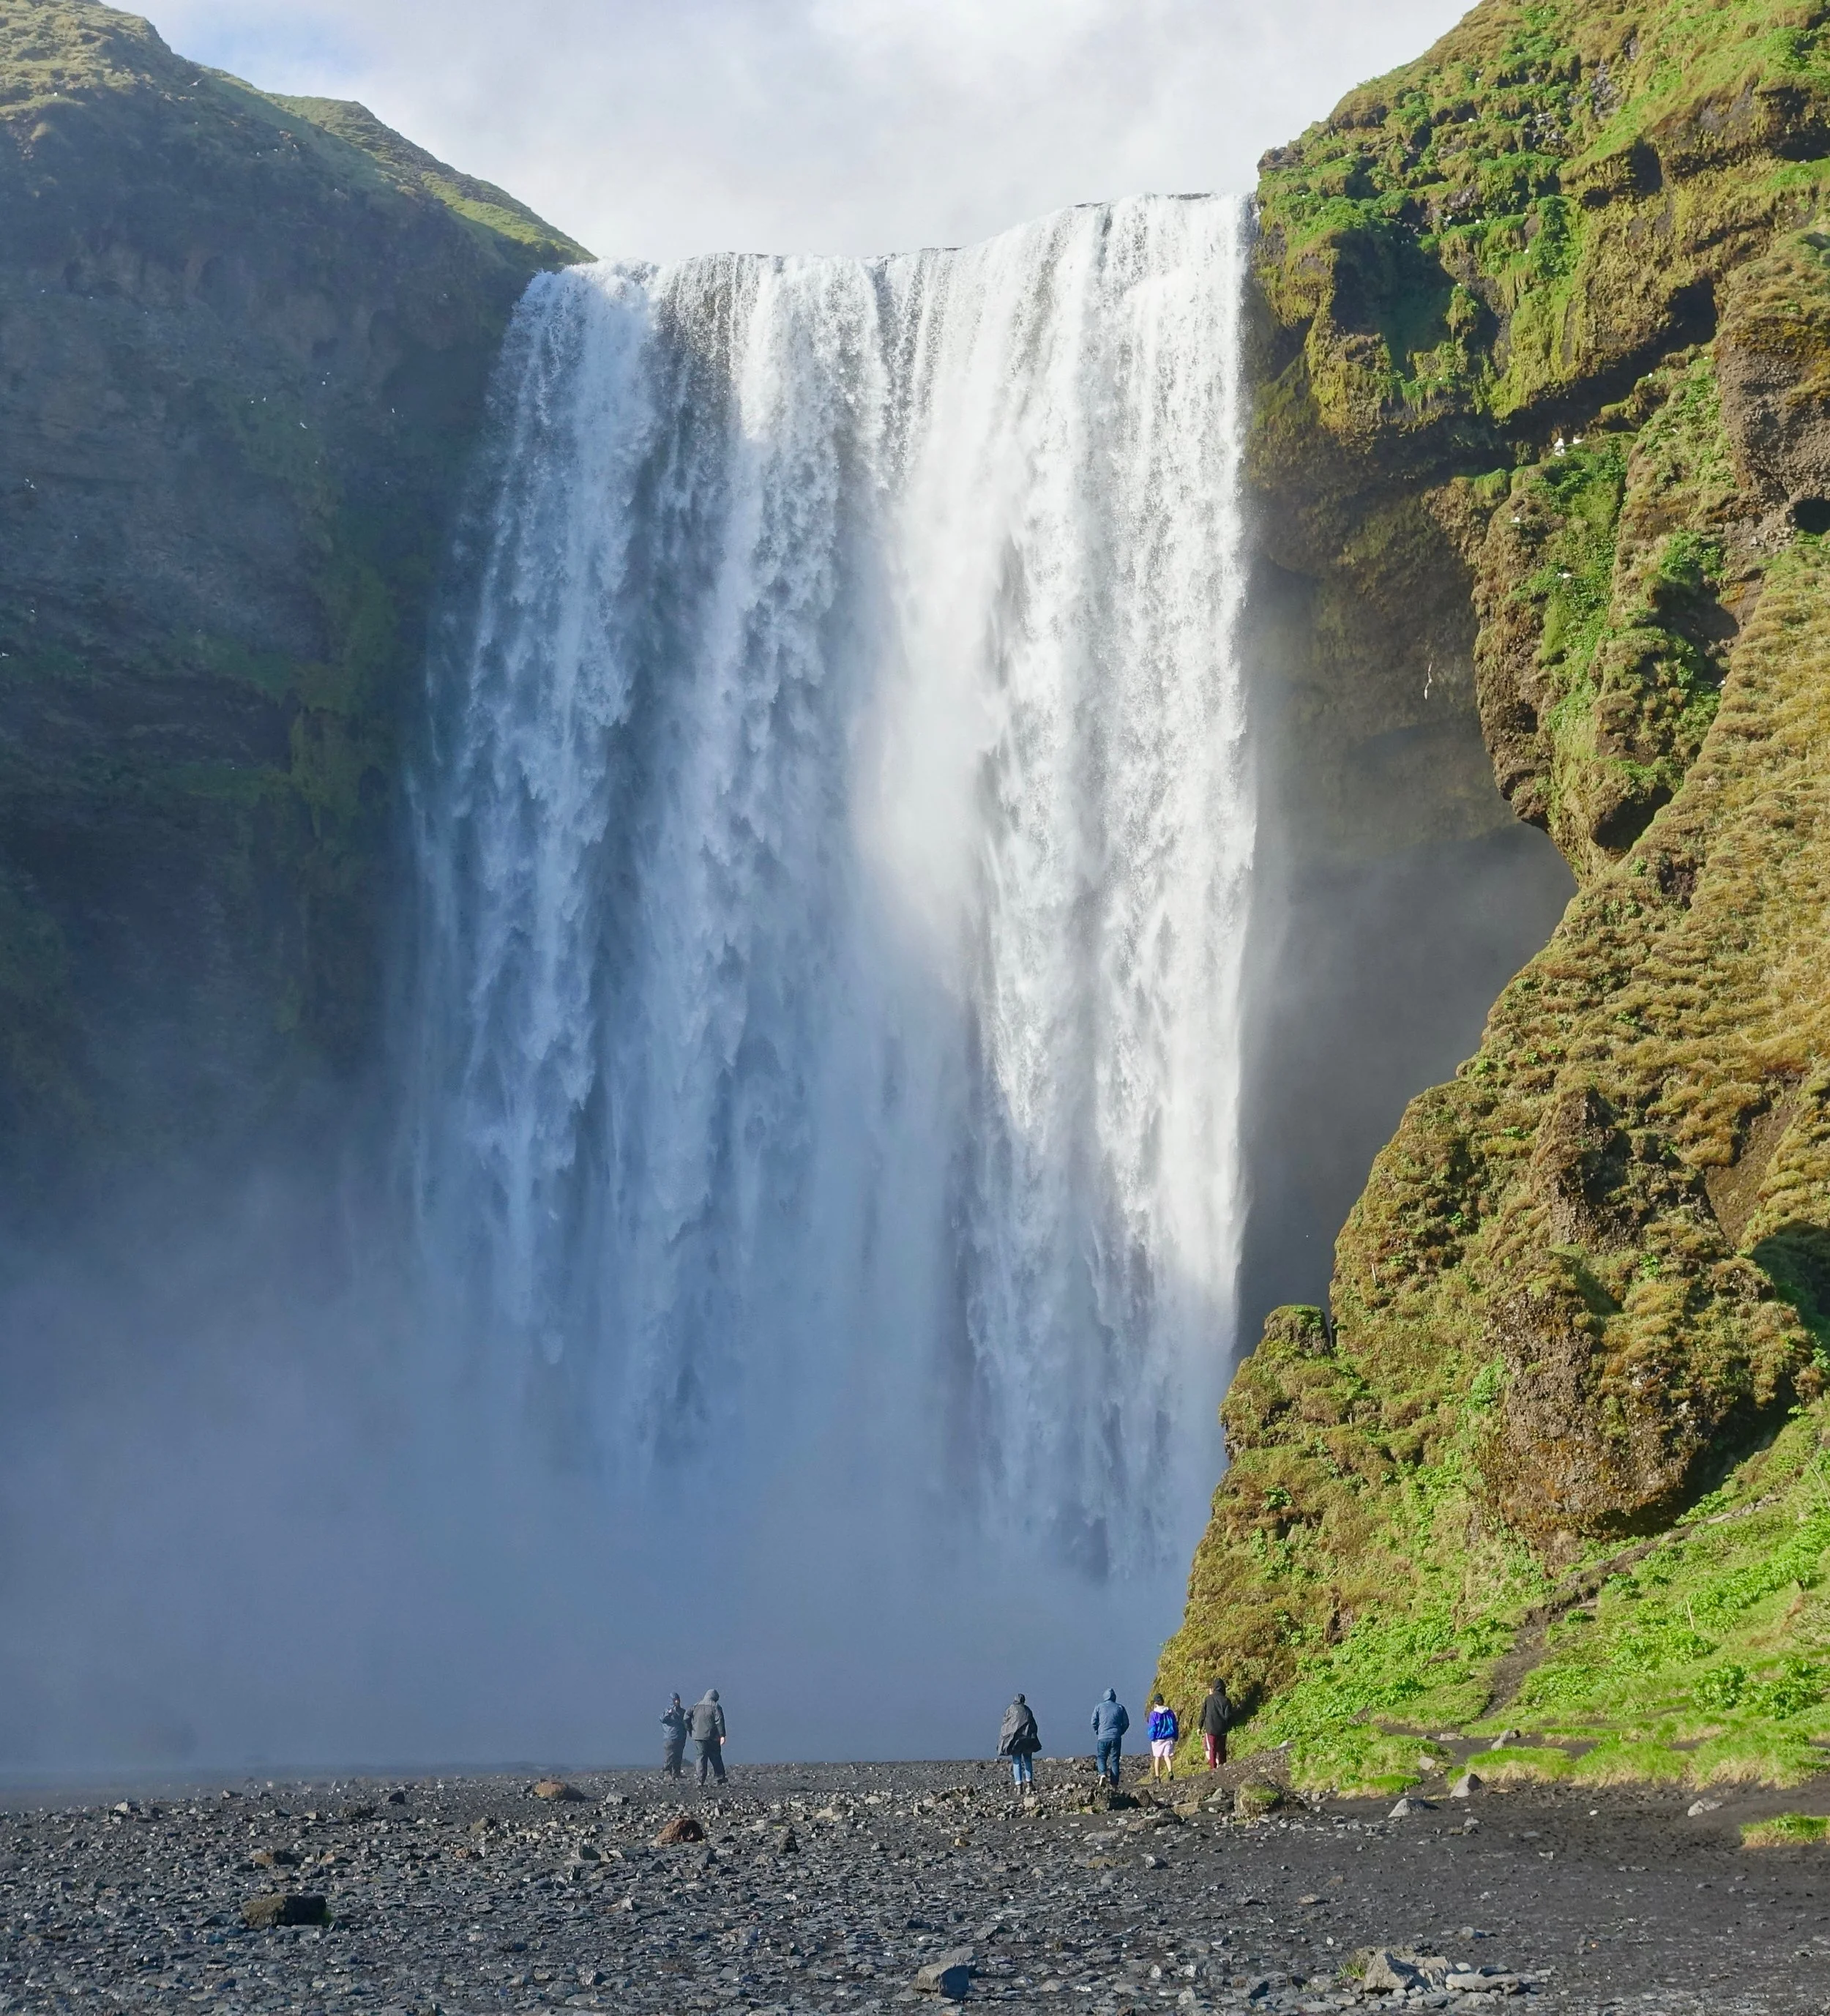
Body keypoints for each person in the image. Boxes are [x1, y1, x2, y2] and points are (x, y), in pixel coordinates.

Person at [998, 1693, 1042, 1791]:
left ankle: (1019, 1785)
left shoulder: (1010, 1710)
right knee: (1027, 1760)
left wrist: (1005, 1740)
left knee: (1017, 1761)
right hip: (1026, 1739)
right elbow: (1033, 1725)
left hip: (1015, 1740)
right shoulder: (1027, 1710)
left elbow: (1006, 1724)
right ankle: (1029, 1783)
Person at [1091, 1687, 1129, 1786]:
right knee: (1115, 1760)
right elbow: (1126, 1723)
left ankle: (1103, 1774)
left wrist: (1098, 1732)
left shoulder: (1099, 1707)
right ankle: (1114, 1784)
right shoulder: (1120, 1707)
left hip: (1103, 1736)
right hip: (1116, 1737)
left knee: (1101, 1757)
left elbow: (1093, 1722)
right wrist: (1120, 1732)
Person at [689, 1688, 728, 1785]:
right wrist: (722, 1735)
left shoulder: (696, 1706)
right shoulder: (715, 1706)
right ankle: (719, 1777)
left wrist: (690, 1729)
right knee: (715, 1756)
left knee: (701, 1757)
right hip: (713, 1737)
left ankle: (700, 1780)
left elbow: (686, 1717)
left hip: (698, 1736)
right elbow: (719, 1721)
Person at [1198, 1676, 1232, 1770]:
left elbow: (1203, 1713)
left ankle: (1213, 1768)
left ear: (1214, 1688)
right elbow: (1228, 1716)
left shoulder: (1208, 1699)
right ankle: (1222, 1766)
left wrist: (1200, 1726)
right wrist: (1227, 1726)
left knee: (1212, 1749)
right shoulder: (1226, 1700)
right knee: (1222, 1749)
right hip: (1222, 1729)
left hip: (1211, 1728)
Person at [1146, 1693, 1179, 1780]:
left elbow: (1153, 1728)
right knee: (1167, 1756)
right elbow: (1174, 1725)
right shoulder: (1170, 1712)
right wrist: (1176, 1736)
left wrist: (1152, 1737)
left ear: (1155, 1703)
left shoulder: (1153, 1714)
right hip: (1169, 1737)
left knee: (1157, 1757)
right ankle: (1170, 1772)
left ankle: (1157, 1777)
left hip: (1158, 1739)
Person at [660, 1693, 688, 1779]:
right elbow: (662, 1719)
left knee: (678, 1756)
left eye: (678, 1699)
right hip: (670, 1738)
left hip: (680, 1737)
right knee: (669, 1756)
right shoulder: (667, 1711)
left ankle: (676, 1773)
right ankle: (667, 1773)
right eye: (675, 1700)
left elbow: (686, 1723)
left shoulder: (683, 1712)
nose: (677, 1701)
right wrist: (668, 1713)